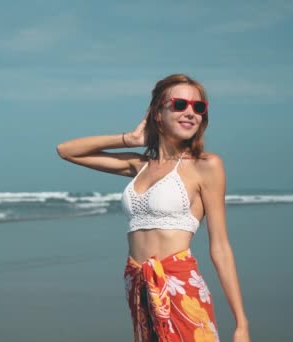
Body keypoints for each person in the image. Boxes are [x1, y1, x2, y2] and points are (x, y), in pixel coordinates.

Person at [56, 74, 249, 341]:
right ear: (157, 113)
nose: (191, 113)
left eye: (199, 107)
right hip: (137, 283)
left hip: (179, 283)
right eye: (180, 104)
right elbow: (66, 151)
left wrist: (241, 324)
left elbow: (220, 246)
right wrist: (131, 138)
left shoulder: (206, 165)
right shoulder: (139, 165)